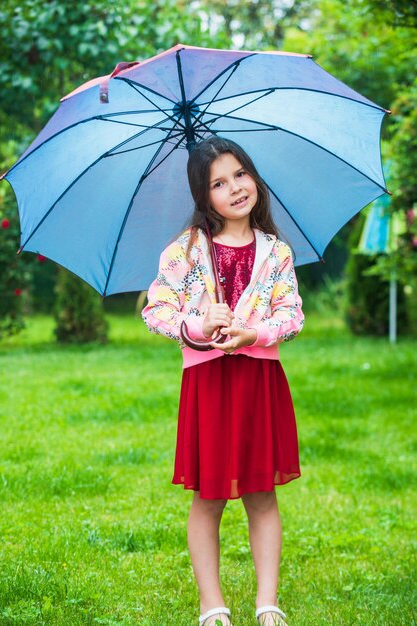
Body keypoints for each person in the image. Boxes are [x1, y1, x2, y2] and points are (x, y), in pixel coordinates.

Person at [141, 136, 304, 626]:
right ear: (202, 194)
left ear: (254, 177)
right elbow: (157, 310)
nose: (235, 188)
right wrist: (198, 326)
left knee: (261, 492)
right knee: (209, 495)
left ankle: (267, 600)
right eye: (218, 183)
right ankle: (211, 603)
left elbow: (292, 315)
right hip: (209, 384)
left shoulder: (276, 252)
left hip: (259, 381)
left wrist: (254, 332)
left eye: (241, 174)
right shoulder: (186, 250)